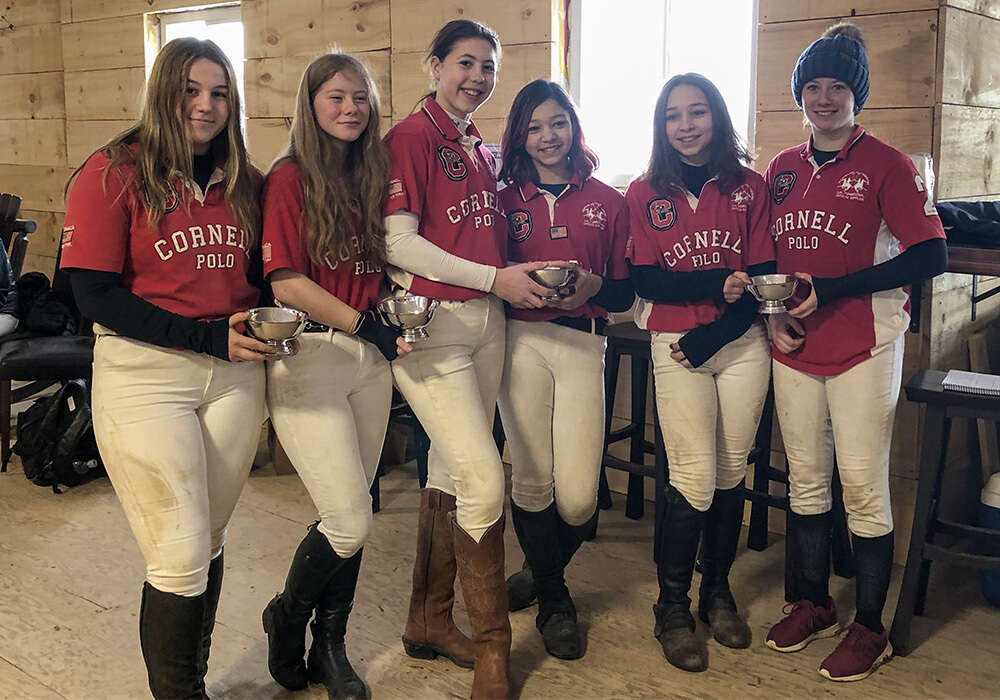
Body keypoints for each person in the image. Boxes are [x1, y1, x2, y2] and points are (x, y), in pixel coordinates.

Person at [60, 38, 273, 698]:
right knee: (178, 555)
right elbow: (91, 294)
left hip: (235, 377)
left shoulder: (245, 180)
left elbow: (266, 277)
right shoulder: (112, 170)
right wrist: (205, 337)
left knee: (205, 540)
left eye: (218, 93)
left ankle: (193, 685)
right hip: (146, 374)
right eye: (190, 90)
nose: (205, 106)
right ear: (164, 92)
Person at [762, 23, 946, 682]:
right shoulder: (780, 168)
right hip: (794, 347)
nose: (825, 98)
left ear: (856, 94)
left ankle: (870, 627)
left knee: (864, 490)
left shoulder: (887, 164)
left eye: (838, 86)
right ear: (800, 94)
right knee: (808, 483)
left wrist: (835, 288)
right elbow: (767, 260)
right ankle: (812, 602)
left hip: (866, 344)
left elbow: (933, 252)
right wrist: (772, 313)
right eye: (813, 87)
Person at [383, 18, 556, 699]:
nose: (477, 77)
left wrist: (521, 273)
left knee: (453, 470)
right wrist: (494, 280)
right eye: (465, 63)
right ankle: (493, 648)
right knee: (486, 478)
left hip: (490, 323)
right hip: (433, 327)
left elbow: (476, 242)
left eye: (487, 66)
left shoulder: (478, 144)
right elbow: (399, 244)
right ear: (434, 65)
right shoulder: (409, 137)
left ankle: (428, 620)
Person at [259, 52, 408, 700]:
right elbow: (286, 281)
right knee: (347, 519)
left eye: (360, 98)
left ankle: (331, 642)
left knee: (353, 510)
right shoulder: (289, 177)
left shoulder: (374, 174)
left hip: (367, 361)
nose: (350, 108)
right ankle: (286, 617)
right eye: (336, 97)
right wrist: (363, 324)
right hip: (310, 356)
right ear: (311, 105)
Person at [626, 73, 776, 672]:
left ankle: (717, 591)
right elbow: (647, 280)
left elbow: (762, 277)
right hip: (675, 343)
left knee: (730, 468)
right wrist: (714, 286)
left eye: (697, 112)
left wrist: (715, 330)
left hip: (737, 343)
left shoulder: (750, 187)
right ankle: (671, 607)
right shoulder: (643, 191)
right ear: (661, 127)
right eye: (672, 116)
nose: (685, 125)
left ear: (717, 117)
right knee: (691, 474)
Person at [496, 79, 633, 660]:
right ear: (519, 137)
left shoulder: (609, 200)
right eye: (533, 127)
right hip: (521, 342)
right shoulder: (501, 201)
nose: (547, 136)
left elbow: (626, 290)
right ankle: (555, 599)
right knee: (531, 479)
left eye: (557, 123)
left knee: (577, 498)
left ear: (574, 127)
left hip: (584, 343)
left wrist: (595, 284)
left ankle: (539, 569)